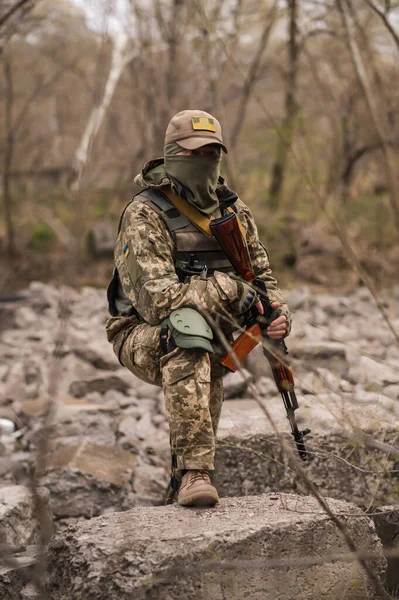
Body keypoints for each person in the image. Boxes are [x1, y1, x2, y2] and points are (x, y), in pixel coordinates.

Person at [106, 109, 291, 507]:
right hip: (141, 333)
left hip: (217, 331)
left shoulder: (233, 211)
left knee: (203, 345)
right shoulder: (145, 213)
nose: (204, 162)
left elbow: (263, 278)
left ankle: (180, 483)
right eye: (193, 154)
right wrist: (230, 289)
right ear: (171, 157)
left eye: (212, 153)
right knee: (187, 333)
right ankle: (194, 473)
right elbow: (158, 303)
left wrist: (276, 315)